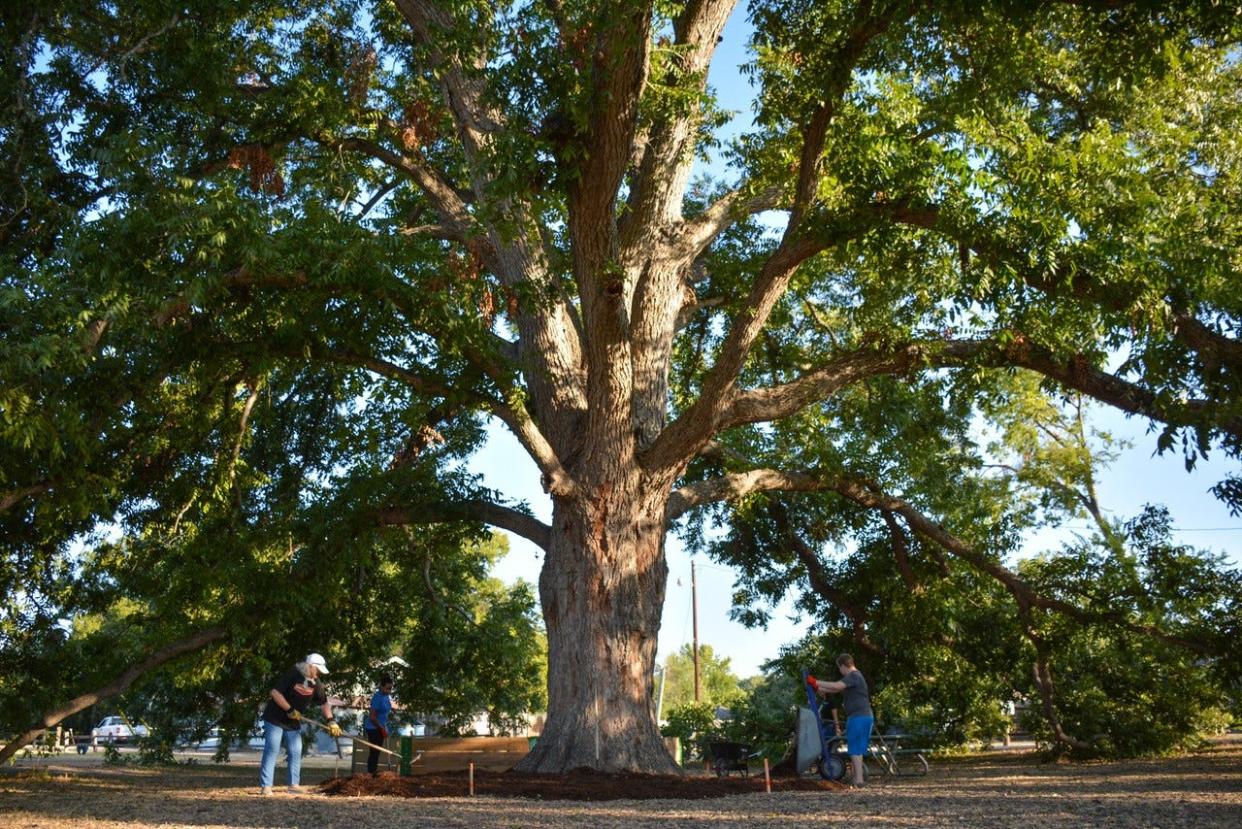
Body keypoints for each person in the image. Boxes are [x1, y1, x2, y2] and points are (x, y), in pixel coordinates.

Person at [258, 653, 341, 795]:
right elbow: (275, 693)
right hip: (275, 719)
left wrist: (331, 720)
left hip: (293, 722)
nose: (319, 673)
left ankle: (293, 785)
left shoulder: (316, 683)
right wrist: (289, 709)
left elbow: (324, 703)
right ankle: (266, 786)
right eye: (318, 670)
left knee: (296, 751)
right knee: (272, 750)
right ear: (310, 667)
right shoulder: (293, 674)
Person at [808, 653, 873, 787]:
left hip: (858, 716)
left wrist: (815, 681)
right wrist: (817, 687)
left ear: (844, 666)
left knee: (855, 748)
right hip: (863, 715)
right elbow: (835, 690)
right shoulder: (856, 677)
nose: (840, 671)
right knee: (858, 748)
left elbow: (837, 686)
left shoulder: (853, 675)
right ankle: (857, 777)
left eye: (839, 668)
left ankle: (859, 780)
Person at [364, 674, 395, 775]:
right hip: (373, 728)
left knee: (377, 752)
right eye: (387, 688)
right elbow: (372, 717)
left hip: (381, 726)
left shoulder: (386, 696)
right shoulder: (377, 698)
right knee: (375, 751)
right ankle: (371, 773)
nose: (389, 691)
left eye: (390, 689)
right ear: (381, 686)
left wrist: (392, 711)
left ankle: (372, 772)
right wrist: (381, 729)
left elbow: (386, 708)